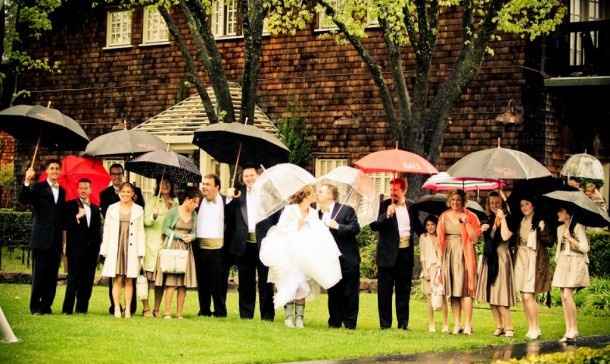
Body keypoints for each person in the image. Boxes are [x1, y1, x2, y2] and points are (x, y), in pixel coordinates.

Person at [259, 185, 342, 329]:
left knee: (301, 285)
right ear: (306, 195)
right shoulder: (290, 210)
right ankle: (289, 317)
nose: (316, 195)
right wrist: (297, 225)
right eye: (313, 193)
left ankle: (299, 318)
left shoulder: (313, 212)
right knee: (290, 283)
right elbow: (280, 228)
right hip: (289, 252)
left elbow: (317, 231)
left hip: (305, 254)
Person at [19, 160, 66, 315]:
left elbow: (61, 216)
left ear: (60, 172)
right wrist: (27, 180)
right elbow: (23, 200)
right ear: (47, 171)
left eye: (57, 169)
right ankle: (35, 307)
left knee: (52, 276)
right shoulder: (38, 187)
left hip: (56, 240)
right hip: (40, 239)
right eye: (52, 168)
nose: (54, 171)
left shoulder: (63, 191)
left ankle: (46, 306)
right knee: (39, 275)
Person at [227, 167, 274, 320]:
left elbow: (275, 217)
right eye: (246, 176)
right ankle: (246, 314)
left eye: (251, 175)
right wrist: (229, 199)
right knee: (246, 281)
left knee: (265, 281)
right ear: (242, 178)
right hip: (244, 244)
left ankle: (267, 315)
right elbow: (229, 218)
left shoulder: (267, 195)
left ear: (258, 175)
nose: (249, 178)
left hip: (264, 243)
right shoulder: (237, 194)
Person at [370, 178, 416, 330]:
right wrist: (387, 215)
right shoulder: (383, 205)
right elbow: (374, 225)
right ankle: (385, 324)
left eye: (395, 190)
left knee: (403, 290)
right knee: (385, 292)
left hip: (405, 255)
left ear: (404, 190)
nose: (392, 193)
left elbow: (418, 227)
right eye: (391, 190)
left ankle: (403, 324)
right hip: (387, 255)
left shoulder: (411, 206)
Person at [100, 163, 145, 315]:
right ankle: (117, 308)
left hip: (131, 246)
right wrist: (104, 250)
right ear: (119, 193)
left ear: (132, 193)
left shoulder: (139, 209)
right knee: (117, 278)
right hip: (116, 245)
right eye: (123, 192)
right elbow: (106, 229)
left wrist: (141, 252)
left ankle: (128, 309)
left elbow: (141, 232)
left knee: (130, 279)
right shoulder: (112, 208)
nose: (126, 194)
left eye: (128, 191)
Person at [317, 183, 361, 330]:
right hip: (329, 259)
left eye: (321, 192)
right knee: (333, 291)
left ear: (331, 195)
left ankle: (349, 323)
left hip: (347, 258)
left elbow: (355, 228)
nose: (318, 194)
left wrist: (338, 226)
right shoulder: (318, 214)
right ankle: (334, 322)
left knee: (350, 291)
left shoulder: (346, 210)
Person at [437, 190, 481, 335]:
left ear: (463, 202)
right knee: (453, 292)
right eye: (453, 200)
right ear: (449, 201)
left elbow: (475, 238)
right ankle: (457, 323)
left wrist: (466, 222)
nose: (455, 203)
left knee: (465, 291)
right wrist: (440, 261)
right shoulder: (443, 216)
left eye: (458, 200)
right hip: (449, 254)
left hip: (464, 254)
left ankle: (468, 324)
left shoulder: (471, 216)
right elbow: (439, 240)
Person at [154, 188, 200, 319]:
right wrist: (179, 235)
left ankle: (179, 313)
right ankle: (167, 312)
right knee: (171, 282)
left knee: (182, 284)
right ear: (187, 200)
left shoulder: (194, 214)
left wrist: (192, 237)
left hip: (186, 249)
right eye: (195, 202)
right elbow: (165, 229)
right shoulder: (174, 211)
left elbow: (195, 232)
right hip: (173, 247)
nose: (196, 206)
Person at [476, 192, 516, 337]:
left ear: (502, 204)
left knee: (501, 294)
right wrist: (483, 230)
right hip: (490, 259)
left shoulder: (509, 218)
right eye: (491, 203)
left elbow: (505, 236)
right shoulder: (487, 219)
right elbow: (482, 239)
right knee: (491, 295)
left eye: (497, 203)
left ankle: (509, 327)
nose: (494, 205)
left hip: (502, 258)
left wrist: (502, 219)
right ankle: (499, 326)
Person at [513, 196, 553, 340]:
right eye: (522, 205)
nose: (524, 207)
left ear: (533, 205)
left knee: (528, 295)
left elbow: (549, 242)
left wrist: (542, 230)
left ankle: (536, 328)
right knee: (524, 296)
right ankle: (531, 327)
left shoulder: (539, 220)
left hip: (534, 259)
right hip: (521, 258)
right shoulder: (522, 221)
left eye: (527, 204)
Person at [61, 178, 102, 314]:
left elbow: (97, 232)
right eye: (81, 188)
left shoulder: (95, 208)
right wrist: (77, 217)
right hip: (75, 250)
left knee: (88, 280)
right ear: (77, 190)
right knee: (73, 279)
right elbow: (64, 224)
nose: (84, 190)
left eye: (86, 188)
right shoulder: (70, 205)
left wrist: (97, 250)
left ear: (90, 190)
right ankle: (67, 309)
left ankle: (82, 308)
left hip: (91, 251)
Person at [194, 174, 232, 317]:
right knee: (202, 280)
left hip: (219, 248)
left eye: (208, 184)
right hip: (201, 247)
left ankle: (220, 311)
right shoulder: (197, 201)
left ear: (217, 187)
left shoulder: (226, 201)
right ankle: (204, 310)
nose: (204, 187)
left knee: (219, 282)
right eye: (203, 184)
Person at [552, 207, 590, 343]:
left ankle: (574, 329)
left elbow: (585, 248)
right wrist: (557, 260)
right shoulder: (559, 228)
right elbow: (559, 248)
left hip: (575, 262)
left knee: (568, 295)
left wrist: (570, 238)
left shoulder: (578, 227)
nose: (558, 213)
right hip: (563, 261)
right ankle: (568, 330)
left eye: (561, 211)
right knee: (563, 297)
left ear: (568, 214)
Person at [142, 179, 178, 317]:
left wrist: (171, 209)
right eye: (162, 183)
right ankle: (146, 308)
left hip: (166, 245)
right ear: (158, 185)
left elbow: (178, 223)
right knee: (146, 279)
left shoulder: (175, 202)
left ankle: (156, 309)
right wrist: (154, 216)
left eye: (168, 183)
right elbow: (145, 222)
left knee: (160, 281)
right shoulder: (152, 201)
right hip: (151, 244)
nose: (165, 186)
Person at [419, 215, 448, 333]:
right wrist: (425, 271)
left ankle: (445, 324)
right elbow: (422, 255)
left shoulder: (441, 237)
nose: (430, 227)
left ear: (436, 225)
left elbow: (444, 254)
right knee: (430, 298)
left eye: (432, 224)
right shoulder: (423, 237)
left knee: (444, 297)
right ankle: (431, 324)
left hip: (440, 269)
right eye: (428, 225)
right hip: (428, 269)